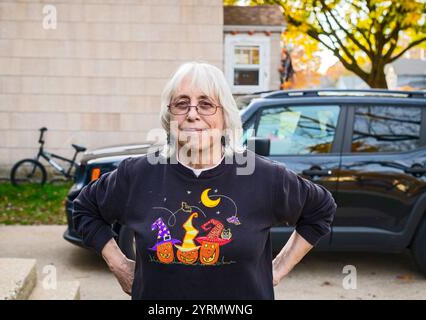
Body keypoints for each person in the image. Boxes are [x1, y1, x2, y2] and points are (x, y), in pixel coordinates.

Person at [72, 61, 336, 300]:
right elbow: (85, 208)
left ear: (225, 118)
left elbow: (321, 208)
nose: (192, 114)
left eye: (206, 104)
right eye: (181, 103)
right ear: (169, 116)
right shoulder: (138, 174)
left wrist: (277, 269)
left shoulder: (263, 176)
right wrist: (120, 266)